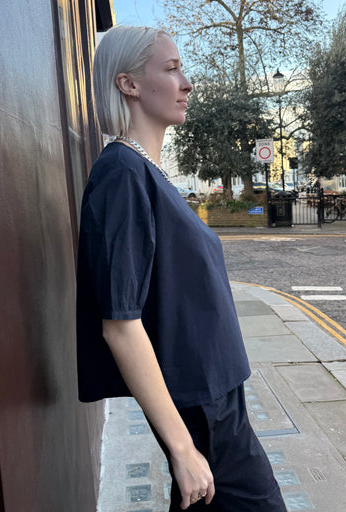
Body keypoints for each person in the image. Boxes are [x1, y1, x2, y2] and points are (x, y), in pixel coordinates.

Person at [76, 25, 286, 511]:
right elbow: (120, 324)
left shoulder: (145, 170)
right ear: (128, 84)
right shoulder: (122, 176)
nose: (187, 83)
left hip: (217, 394)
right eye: (171, 69)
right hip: (201, 405)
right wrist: (183, 448)